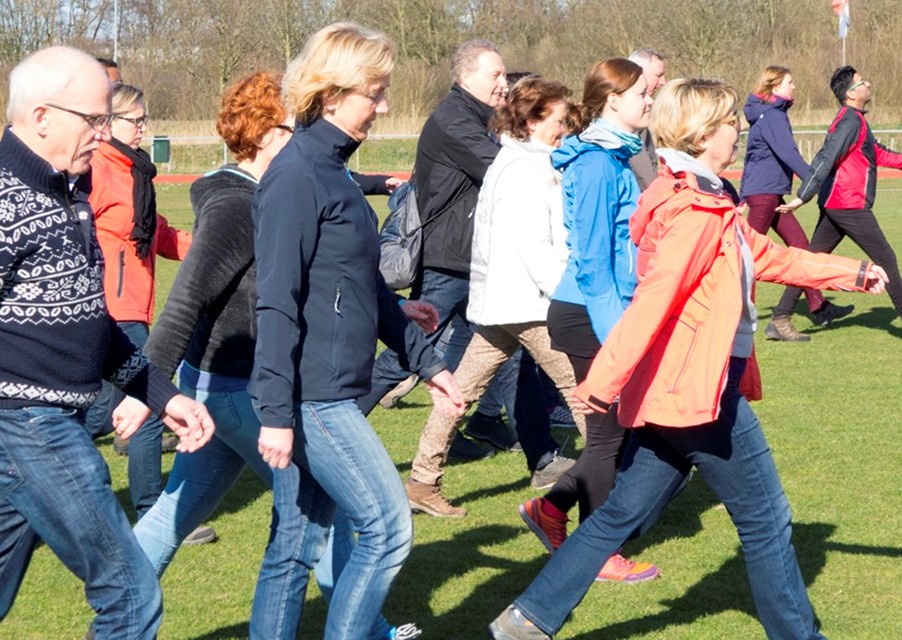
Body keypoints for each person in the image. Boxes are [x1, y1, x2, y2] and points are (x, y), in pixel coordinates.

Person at [489, 77, 890, 640]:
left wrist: (849, 272)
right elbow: (652, 303)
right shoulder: (696, 210)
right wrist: (601, 382)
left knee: (619, 514)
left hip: (673, 391)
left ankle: (526, 619)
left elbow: (765, 255)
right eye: (730, 122)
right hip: (697, 395)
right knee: (767, 520)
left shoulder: (702, 198)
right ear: (704, 135)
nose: (740, 130)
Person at [0, 47, 215, 639]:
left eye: (107, 122)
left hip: (45, 425)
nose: (103, 136)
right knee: (130, 596)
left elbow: (88, 324)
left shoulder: (68, 194)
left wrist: (163, 396)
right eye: (93, 121)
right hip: (22, 426)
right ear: (43, 116)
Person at [135, 71, 422, 640]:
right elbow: (187, 296)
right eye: (295, 126)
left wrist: (385, 308)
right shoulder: (237, 206)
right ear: (267, 133)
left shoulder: (282, 187)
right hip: (243, 392)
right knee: (311, 523)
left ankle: (116, 613)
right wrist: (148, 386)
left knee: (178, 518)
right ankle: (367, 627)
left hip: (227, 389)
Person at [251, 22, 464, 638]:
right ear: (332, 91)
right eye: (375, 92)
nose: (384, 105)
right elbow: (277, 301)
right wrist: (273, 412)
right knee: (389, 527)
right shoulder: (295, 175)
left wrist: (429, 363)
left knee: (296, 545)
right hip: (313, 397)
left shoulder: (336, 170)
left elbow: (360, 285)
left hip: (329, 388)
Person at [405, 77, 586, 518]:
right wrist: (568, 294)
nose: (564, 128)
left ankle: (422, 481)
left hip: (505, 305)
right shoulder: (526, 168)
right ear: (531, 120)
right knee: (582, 390)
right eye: (559, 120)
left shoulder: (518, 160)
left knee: (459, 393)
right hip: (529, 305)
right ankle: (620, 473)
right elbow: (535, 247)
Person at [517, 58, 661, 584]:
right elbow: (596, 265)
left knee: (620, 435)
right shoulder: (599, 163)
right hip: (590, 314)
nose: (651, 101)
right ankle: (599, 553)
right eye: (643, 93)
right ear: (613, 100)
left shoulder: (613, 156)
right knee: (606, 439)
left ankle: (550, 510)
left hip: (602, 311)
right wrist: (620, 339)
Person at [79, 82, 208, 543]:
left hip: (134, 305)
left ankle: (29, 479)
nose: (143, 128)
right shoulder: (95, 170)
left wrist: (207, 248)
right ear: (109, 123)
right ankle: (154, 514)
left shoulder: (136, 174)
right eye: (136, 120)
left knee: (94, 413)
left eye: (144, 119)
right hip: (112, 309)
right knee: (150, 405)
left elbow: (156, 234)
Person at [776, 65, 902, 344]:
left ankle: (780, 318)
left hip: (840, 204)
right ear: (850, 93)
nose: (868, 84)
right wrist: (803, 195)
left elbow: (879, 154)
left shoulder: (855, 120)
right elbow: (826, 157)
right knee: (886, 259)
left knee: (810, 261)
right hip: (848, 205)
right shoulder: (849, 121)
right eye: (862, 82)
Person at [743, 65, 855, 341]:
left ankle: (818, 306)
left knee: (801, 248)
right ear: (774, 87)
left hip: (770, 194)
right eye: (789, 83)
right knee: (743, 256)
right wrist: (813, 181)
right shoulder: (772, 116)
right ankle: (726, 307)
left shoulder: (771, 113)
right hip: (763, 194)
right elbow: (789, 154)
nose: (794, 87)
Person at [627, 48, 667, 190]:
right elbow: (644, 173)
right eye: (658, 75)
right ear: (640, 72)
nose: (663, 82)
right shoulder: (630, 114)